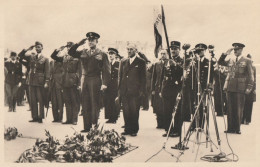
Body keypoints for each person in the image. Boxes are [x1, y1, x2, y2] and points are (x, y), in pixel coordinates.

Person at [68, 32, 110, 132]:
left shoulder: (102, 53)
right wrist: (78, 43)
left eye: (92, 40)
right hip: (85, 79)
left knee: (94, 103)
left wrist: (104, 83)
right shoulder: (83, 51)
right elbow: (71, 52)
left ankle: (94, 126)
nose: (90, 42)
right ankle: (86, 127)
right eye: (89, 40)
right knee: (85, 103)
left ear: (97, 41)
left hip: (95, 79)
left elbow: (106, 70)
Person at [218, 43, 254, 134]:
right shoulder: (231, 59)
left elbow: (251, 76)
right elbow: (220, 62)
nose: (235, 51)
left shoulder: (247, 60)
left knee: (238, 108)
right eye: (234, 50)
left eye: (237, 50)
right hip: (230, 87)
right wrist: (225, 54)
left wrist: (249, 87)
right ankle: (230, 128)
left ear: (241, 50)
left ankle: (237, 128)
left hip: (240, 88)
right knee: (230, 109)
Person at [118, 43, 146, 137]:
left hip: (135, 91)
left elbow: (143, 78)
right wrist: (120, 90)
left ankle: (134, 129)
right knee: (126, 110)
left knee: (134, 111)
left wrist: (141, 91)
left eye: (131, 49)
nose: (129, 51)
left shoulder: (141, 62)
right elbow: (120, 76)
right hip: (125, 90)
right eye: (128, 49)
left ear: (136, 50)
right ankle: (127, 129)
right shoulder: (123, 61)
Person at [18, 41, 50, 123]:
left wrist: (46, 81)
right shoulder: (31, 57)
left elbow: (47, 71)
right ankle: (34, 117)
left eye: (39, 47)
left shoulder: (45, 59)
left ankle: (40, 117)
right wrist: (28, 49)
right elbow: (20, 56)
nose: (37, 48)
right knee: (32, 100)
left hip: (40, 81)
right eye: (36, 47)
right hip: (31, 80)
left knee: (40, 99)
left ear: (42, 48)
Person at [51, 42, 81, 125]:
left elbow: (79, 71)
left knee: (74, 101)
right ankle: (68, 119)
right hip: (64, 81)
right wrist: (58, 50)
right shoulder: (64, 57)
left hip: (73, 81)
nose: (68, 48)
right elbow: (53, 57)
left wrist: (79, 83)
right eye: (67, 47)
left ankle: (74, 119)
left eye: (70, 47)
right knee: (67, 101)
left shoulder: (77, 57)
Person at [159, 43, 183, 137]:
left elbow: (182, 73)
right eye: (172, 49)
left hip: (176, 89)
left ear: (179, 50)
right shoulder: (166, 61)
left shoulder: (182, 60)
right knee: (167, 111)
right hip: (167, 89)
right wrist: (161, 89)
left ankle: (177, 130)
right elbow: (162, 76)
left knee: (177, 112)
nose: (173, 50)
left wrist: (175, 65)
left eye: (175, 49)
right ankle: (168, 129)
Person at [151, 49, 167, 129]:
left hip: (166, 88)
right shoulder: (156, 64)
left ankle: (165, 123)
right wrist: (153, 89)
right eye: (161, 54)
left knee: (165, 106)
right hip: (157, 88)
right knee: (158, 106)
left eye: (164, 54)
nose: (163, 55)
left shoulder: (169, 63)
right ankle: (159, 123)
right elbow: (153, 77)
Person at [104, 48, 121, 123]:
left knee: (115, 101)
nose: (110, 55)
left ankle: (114, 118)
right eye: (109, 54)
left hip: (115, 84)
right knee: (108, 101)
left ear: (115, 55)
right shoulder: (107, 63)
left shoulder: (119, 63)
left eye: (112, 54)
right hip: (108, 84)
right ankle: (109, 117)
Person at [242, 54, 256, 125]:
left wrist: (254, 89)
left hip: (251, 88)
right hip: (243, 86)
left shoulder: (253, 68)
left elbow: (254, 79)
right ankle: (242, 119)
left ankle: (247, 120)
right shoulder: (243, 67)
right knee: (243, 104)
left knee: (249, 105)